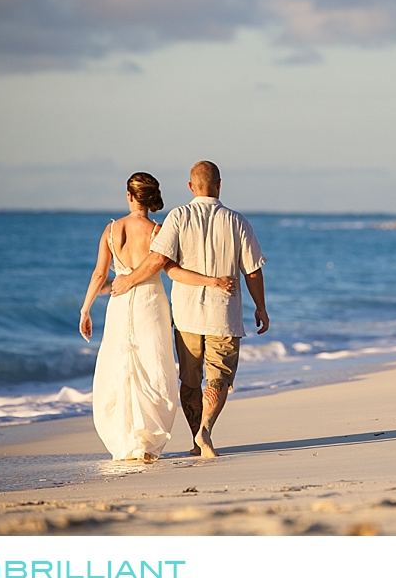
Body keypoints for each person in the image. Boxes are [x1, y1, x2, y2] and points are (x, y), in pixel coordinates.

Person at [112, 161, 269, 458]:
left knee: (190, 381)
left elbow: (159, 259)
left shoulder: (178, 216)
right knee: (219, 377)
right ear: (219, 185)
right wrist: (261, 307)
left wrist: (128, 281)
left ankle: (196, 441)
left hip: (186, 316)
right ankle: (206, 428)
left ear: (190, 187)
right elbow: (253, 272)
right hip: (224, 315)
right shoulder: (237, 221)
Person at [79, 172, 234, 461]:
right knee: (152, 368)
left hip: (120, 303)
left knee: (121, 368)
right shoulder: (157, 230)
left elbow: (100, 274)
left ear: (129, 195)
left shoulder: (111, 230)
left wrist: (85, 309)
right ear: (150, 199)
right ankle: (147, 439)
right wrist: (211, 281)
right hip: (151, 304)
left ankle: (125, 441)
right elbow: (171, 271)